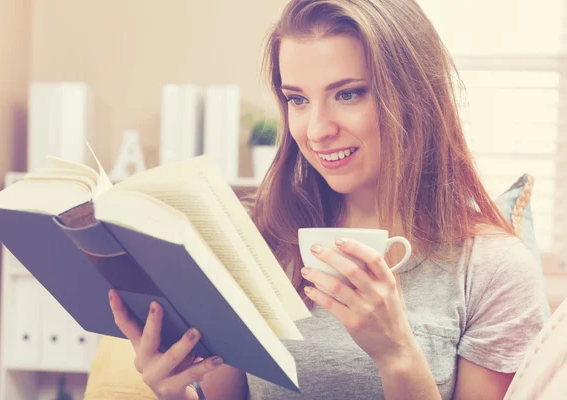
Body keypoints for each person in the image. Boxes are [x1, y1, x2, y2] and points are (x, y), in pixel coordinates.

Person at [107, 0, 549, 398]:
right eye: (297, 99)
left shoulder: (493, 269)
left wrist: (396, 354)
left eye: (348, 94)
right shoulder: (259, 237)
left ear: (415, 98)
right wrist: (174, 390)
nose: (316, 130)